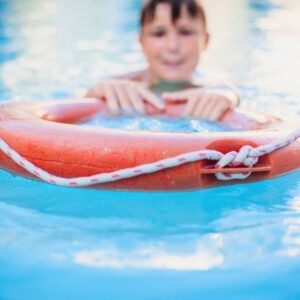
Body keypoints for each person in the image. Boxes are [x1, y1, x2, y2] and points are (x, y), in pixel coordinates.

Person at [86, 0, 240, 120]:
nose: (172, 46)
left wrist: (230, 96)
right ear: (142, 42)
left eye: (185, 32)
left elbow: (228, 89)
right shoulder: (119, 84)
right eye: (159, 34)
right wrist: (95, 93)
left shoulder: (213, 87)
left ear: (205, 41)